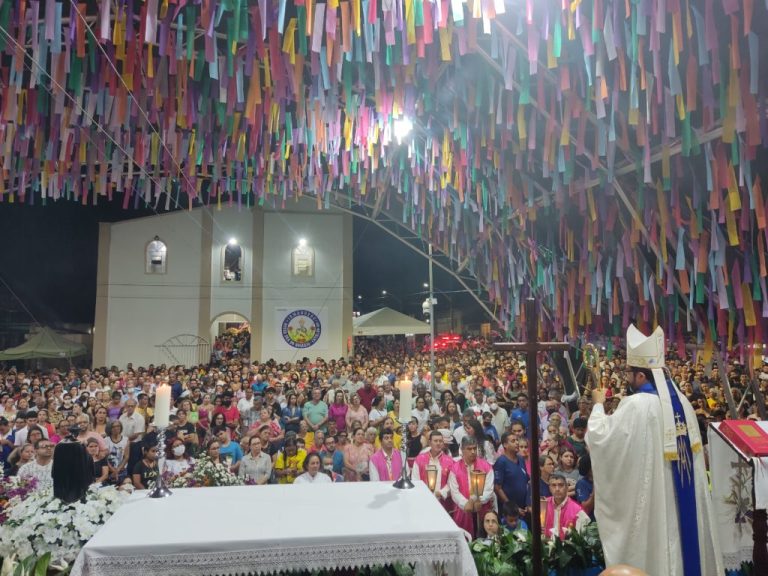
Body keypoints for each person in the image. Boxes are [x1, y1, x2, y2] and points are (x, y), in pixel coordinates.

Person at [587, 325, 723, 576]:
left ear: (641, 376)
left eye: (629, 372)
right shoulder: (682, 402)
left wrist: (597, 406)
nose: (626, 377)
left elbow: (601, 438)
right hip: (684, 501)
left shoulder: (637, 405)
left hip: (655, 504)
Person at [448, 436, 495, 538]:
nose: (473, 451)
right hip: (464, 510)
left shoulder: (486, 466)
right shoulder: (455, 468)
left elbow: (489, 489)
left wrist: (478, 500)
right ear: (462, 450)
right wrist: (465, 504)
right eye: (469, 449)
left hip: (482, 508)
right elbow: (454, 492)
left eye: (474, 448)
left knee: (483, 541)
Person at [412, 430, 455, 513]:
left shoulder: (450, 461)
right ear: (429, 442)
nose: (438, 443)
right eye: (435, 441)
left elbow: (452, 483)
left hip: (442, 501)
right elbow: (415, 480)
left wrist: (441, 493)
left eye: (440, 441)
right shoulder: (419, 459)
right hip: (423, 499)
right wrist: (424, 493)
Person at [542, 473, 590, 539]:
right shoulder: (543, 505)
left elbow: (583, 538)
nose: (557, 489)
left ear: (567, 487)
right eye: (553, 485)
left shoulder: (578, 510)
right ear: (549, 488)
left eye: (560, 485)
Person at [493, 432, 529, 517]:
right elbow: (498, 488)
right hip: (509, 511)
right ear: (505, 445)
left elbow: (526, 481)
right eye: (513, 441)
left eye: (517, 440)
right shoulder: (501, 462)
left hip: (524, 507)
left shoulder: (521, 459)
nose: (517, 443)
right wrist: (512, 507)